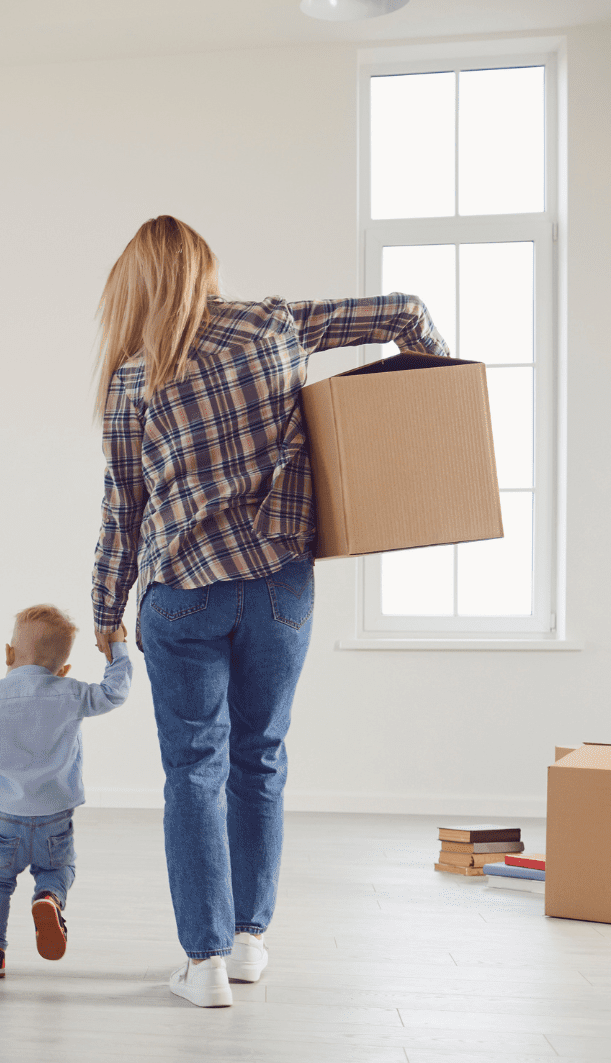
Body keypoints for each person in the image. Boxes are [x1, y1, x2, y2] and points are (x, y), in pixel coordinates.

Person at [89, 216, 449, 1007]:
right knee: (261, 759)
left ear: (138, 284)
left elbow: (125, 510)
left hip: (182, 592)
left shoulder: (129, 378)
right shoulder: (276, 323)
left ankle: (206, 963)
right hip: (281, 586)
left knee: (193, 772)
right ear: (206, 271)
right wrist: (431, 410)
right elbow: (405, 311)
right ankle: (250, 942)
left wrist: (105, 610)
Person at [0, 605, 131, 979]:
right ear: (64, 669)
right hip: (55, 817)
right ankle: (49, 898)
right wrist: (117, 648)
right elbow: (114, 692)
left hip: (0, 817)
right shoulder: (71, 692)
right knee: (58, 868)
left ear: (8, 654)